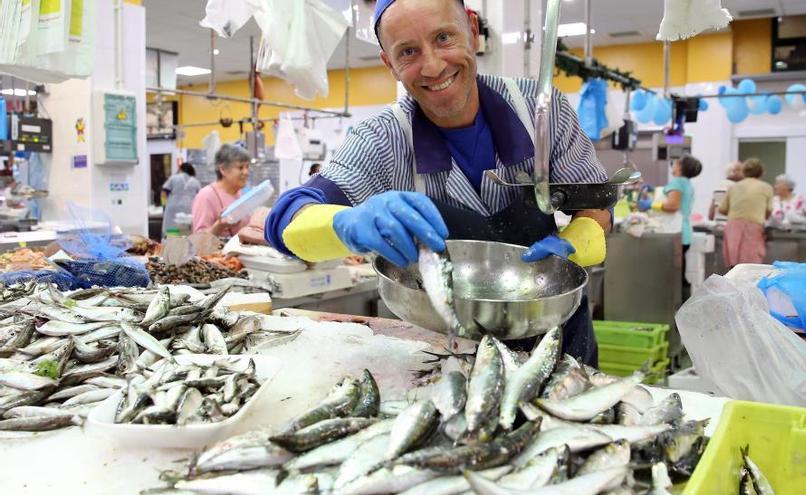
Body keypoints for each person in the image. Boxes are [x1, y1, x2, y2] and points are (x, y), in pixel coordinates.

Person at [264, 0, 610, 365]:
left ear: (473, 31)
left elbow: (597, 205)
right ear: (390, 65)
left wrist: (576, 241)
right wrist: (344, 223)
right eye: (408, 52)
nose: (432, 65)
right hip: (441, 356)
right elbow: (284, 220)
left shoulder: (540, 111)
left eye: (444, 37)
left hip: (556, 344)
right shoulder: (382, 139)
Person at [639, 155, 702, 291]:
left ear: (680, 166)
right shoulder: (685, 183)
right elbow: (673, 198)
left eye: (676, 163)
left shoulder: (678, 182)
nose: (673, 165)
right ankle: (680, 303)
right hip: (684, 232)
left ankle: (676, 305)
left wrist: (650, 205)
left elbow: (672, 205)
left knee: (674, 275)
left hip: (675, 232)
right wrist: (655, 191)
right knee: (679, 273)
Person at [719, 158, 773, 267]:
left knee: (733, 266)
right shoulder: (767, 187)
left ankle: (732, 283)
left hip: (733, 228)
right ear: (761, 172)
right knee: (751, 266)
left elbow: (722, 209)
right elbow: (768, 211)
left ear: (744, 171)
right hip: (754, 228)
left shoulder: (733, 187)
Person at [192, 144, 252, 237]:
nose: (246, 172)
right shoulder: (206, 196)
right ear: (223, 169)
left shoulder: (241, 194)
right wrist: (220, 225)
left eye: (247, 167)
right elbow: (198, 240)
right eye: (240, 167)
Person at [161, 162, 202, 236]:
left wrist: (163, 205)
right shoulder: (196, 182)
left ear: (180, 169)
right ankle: (185, 243)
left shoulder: (174, 178)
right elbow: (199, 197)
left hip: (173, 207)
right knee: (186, 231)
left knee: (171, 227)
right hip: (190, 208)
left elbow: (164, 192)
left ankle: (172, 242)